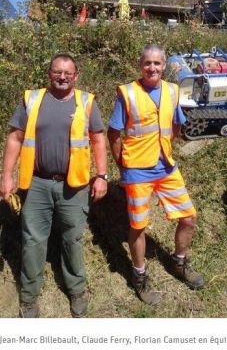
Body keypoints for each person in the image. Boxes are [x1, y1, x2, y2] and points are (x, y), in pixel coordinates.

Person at [0, 54, 108, 318]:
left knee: (73, 238)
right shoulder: (33, 100)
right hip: (36, 183)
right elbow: (15, 138)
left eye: (68, 73)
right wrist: (6, 175)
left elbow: (98, 140)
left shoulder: (86, 102)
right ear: (49, 73)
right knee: (33, 240)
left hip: (74, 186)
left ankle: (77, 290)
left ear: (76, 75)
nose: (62, 77)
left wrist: (102, 176)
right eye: (57, 72)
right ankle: (28, 296)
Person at [107, 44, 204, 305]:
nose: (152, 68)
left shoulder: (172, 91)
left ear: (164, 66)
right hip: (137, 170)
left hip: (166, 166)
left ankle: (179, 262)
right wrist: (122, 166)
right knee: (138, 226)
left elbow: (175, 124)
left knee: (189, 217)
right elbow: (114, 133)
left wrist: (166, 146)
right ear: (141, 65)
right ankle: (139, 275)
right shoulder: (127, 93)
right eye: (147, 63)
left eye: (157, 64)